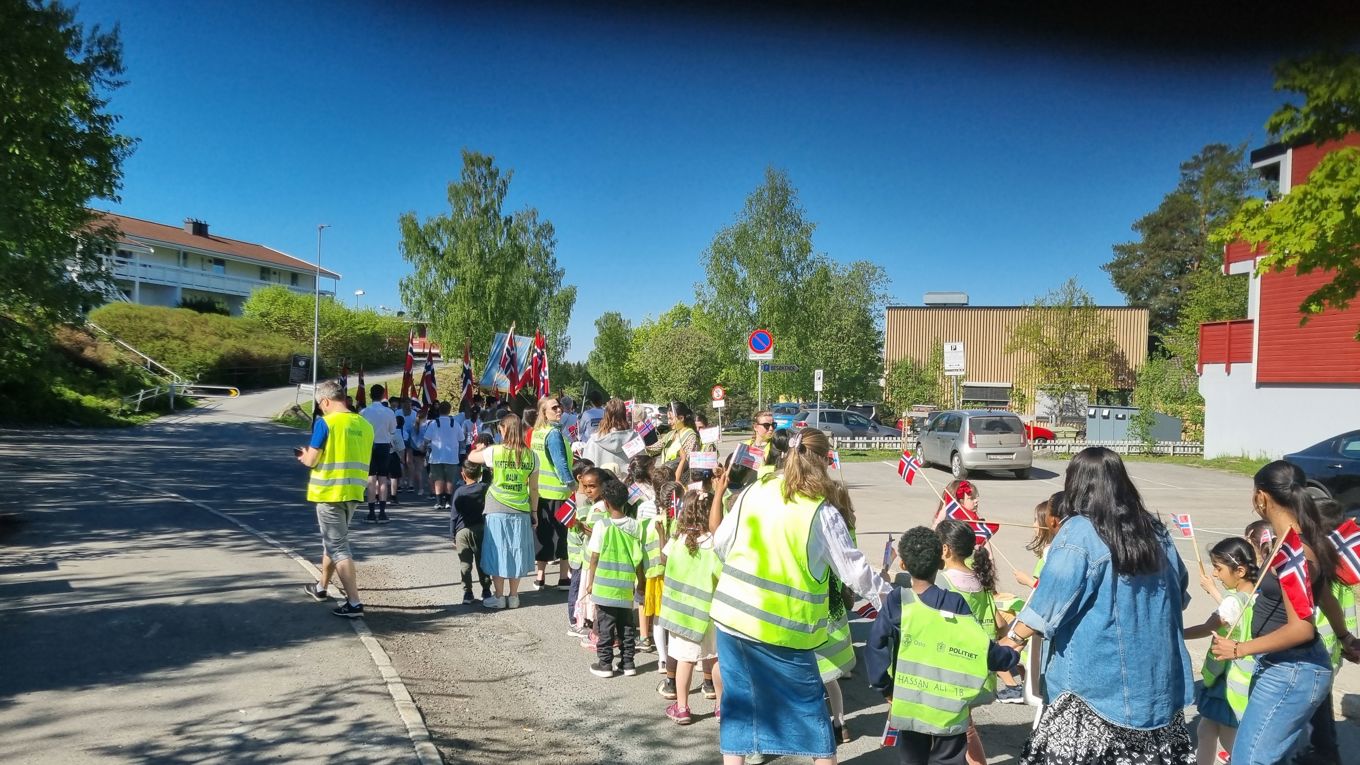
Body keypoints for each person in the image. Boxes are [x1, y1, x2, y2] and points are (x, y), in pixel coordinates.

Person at [707, 427, 888, 765]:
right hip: (785, 632)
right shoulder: (820, 510)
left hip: (731, 620)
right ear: (822, 461)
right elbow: (855, 573)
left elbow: (721, 544)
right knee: (810, 717)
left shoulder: (753, 491)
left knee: (739, 708)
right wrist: (895, 602)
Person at [1005, 447, 1196, 765]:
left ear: (1076, 484)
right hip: (1155, 687)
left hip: (1093, 690)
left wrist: (1011, 639)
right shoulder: (1155, 531)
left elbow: (1048, 604)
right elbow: (1181, 593)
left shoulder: (1079, 532)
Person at [1211, 462, 1356, 765]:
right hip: (1286, 666)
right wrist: (1344, 637)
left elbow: (1302, 628)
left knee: (1249, 760)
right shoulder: (1297, 539)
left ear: (1261, 497)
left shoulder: (1294, 550)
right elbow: (1325, 597)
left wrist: (1239, 649)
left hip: (1291, 670)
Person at [866, 527, 1021, 765]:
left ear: (903, 565)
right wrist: (1009, 655)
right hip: (949, 709)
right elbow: (979, 644)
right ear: (940, 562)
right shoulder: (954, 602)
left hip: (910, 705)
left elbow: (875, 646)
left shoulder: (898, 602)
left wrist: (885, 688)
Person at [934, 519, 1014, 765]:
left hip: (954, 669)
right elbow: (999, 623)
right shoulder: (980, 580)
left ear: (945, 549)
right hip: (979, 668)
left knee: (961, 729)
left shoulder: (944, 582)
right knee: (964, 726)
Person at [298, 380, 375, 618]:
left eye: (320, 405)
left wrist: (303, 456)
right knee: (332, 542)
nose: (320, 409)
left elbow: (312, 460)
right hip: (353, 492)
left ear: (325, 401)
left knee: (338, 546)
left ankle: (354, 603)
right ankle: (321, 587)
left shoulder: (325, 423)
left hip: (329, 492)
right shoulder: (364, 424)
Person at [1182, 537, 1258, 765]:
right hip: (1239, 677)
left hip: (1227, 681)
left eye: (1218, 568)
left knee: (1229, 738)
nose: (1215, 574)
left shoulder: (1232, 602)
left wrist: (1176, 633)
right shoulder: (1257, 594)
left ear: (1240, 571)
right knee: (1206, 730)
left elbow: (1207, 628)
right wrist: (1215, 592)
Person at [658, 487, 724, 725]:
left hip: (681, 613)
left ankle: (682, 707)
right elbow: (721, 575)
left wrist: (662, 533)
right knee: (715, 658)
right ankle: (721, 707)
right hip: (710, 612)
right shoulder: (714, 544)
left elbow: (663, 560)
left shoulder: (677, 541)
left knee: (684, 659)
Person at [465, 413, 539, 610]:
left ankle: (498, 596)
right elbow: (534, 488)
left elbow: (471, 458)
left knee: (497, 550)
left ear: (504, 430)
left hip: (497, 505)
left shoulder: (495, 451)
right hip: (521, 507)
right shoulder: (532, 456)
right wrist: (534, 512)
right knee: (516, 550)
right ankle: (514, 596)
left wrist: (479, 448)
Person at [1306, 498, 1358, 764]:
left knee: (1314, 712)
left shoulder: (1320, 569)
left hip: (1315, 650)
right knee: (1320, 710)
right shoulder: (1339, 573)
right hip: (1332, 651)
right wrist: (1349, 641)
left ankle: (1323, 752)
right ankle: (1326, 751)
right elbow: (1349, 614)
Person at [578, 477, 644, 678]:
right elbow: (638, 559)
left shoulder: (602, 525)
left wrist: (590, 582)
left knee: (605, 627)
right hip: (625, 586)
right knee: (627, 626)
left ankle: (605, 663)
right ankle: (628, 662)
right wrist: (640, 582)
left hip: (604, 586)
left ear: (605, 503)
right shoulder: (635, 526)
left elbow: (594, 557)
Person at [530, 395, 575, 591]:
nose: (559, 410)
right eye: (554, 408)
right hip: (558, 492)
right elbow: (560, 463)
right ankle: (563, 577)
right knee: (563, 535)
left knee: (543, 534)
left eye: (559, 407)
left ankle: (539, 577)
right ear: (544, 413)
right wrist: (572, 485)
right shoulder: (554, 434)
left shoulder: (537, 433)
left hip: (539, 492)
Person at [565, 461, 602, 637]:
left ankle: (583, 618)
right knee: (576, 586)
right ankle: (574, 621)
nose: (589, 489)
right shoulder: (578, 500)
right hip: (578, 552)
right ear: (580, 478)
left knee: (581, 586)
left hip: (583, 551)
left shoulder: (584, 499)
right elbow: (578, 526)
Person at [359, 383, 398, 524]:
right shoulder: (389, 412)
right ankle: (382, 512)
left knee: (371, 479)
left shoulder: (364, 412)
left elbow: (360, 431)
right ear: (383, 395)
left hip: (369, 446)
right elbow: (393, 430)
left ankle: (371, 513)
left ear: (370, 395)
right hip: (384, 446)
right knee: (382, 478)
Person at [452, 462, 491, 604]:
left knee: (465, 564)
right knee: (482, 561)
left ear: (463, 475)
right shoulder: (484, 488)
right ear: (480, 474)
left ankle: (467, 593)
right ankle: (486, 590)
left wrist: (452, 535)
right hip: (481, 529)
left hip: (462, 531)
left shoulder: (459, 492)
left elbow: (454, 516)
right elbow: (488, 479)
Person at [424, 401, 465, 512]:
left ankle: (438, 502)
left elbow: (426, 439)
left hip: (436, 456)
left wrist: (424, 448)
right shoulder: (455, 423)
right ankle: (448, 502)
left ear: (439, 410)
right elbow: (461, 439)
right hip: (452, 456)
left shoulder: (433, 423)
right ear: (449, 410)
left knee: (438, 479)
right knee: (449, 480)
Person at [581, 398, 634, 476]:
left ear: (605, 415)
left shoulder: (594, 441)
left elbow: (587, 469)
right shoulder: (634, 438)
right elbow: (642, 464)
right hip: (628, 482)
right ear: (624, 414)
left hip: (602, 482)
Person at [659, 402, 698, 480]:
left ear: (681, 418)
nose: (668, 422)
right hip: (667, 477)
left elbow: (685, 460)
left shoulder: (691, 436)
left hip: (681, 480)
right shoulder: (670, 434)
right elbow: (654, 448)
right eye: (668, 419)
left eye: (671, 419)